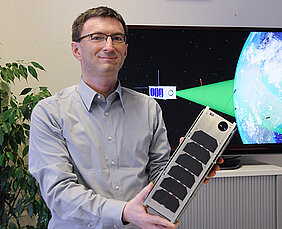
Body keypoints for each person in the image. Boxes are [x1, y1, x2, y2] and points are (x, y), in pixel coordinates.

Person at [28, 6, 222, 229]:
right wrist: (123, 212)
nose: (109, 46)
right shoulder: (49, 113)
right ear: (76, 50)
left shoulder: (149, 107)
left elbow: (158, 177)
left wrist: (186, 168)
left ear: (125, 50)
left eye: (117, 38)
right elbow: (59, 194)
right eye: (97, 37)